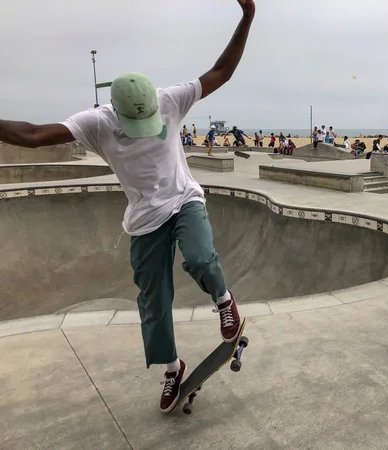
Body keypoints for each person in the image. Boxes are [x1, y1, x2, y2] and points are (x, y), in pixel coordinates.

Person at [0, 0, 257, 413]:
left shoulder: (172, 99)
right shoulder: (96, 122)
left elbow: (221, 72)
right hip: (144, 220)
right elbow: (32, 134)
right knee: (153, 302)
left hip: (183, 200)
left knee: (200, 258)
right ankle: (172, 367)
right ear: (115, 113)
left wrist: (247, 18)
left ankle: (224, 301)